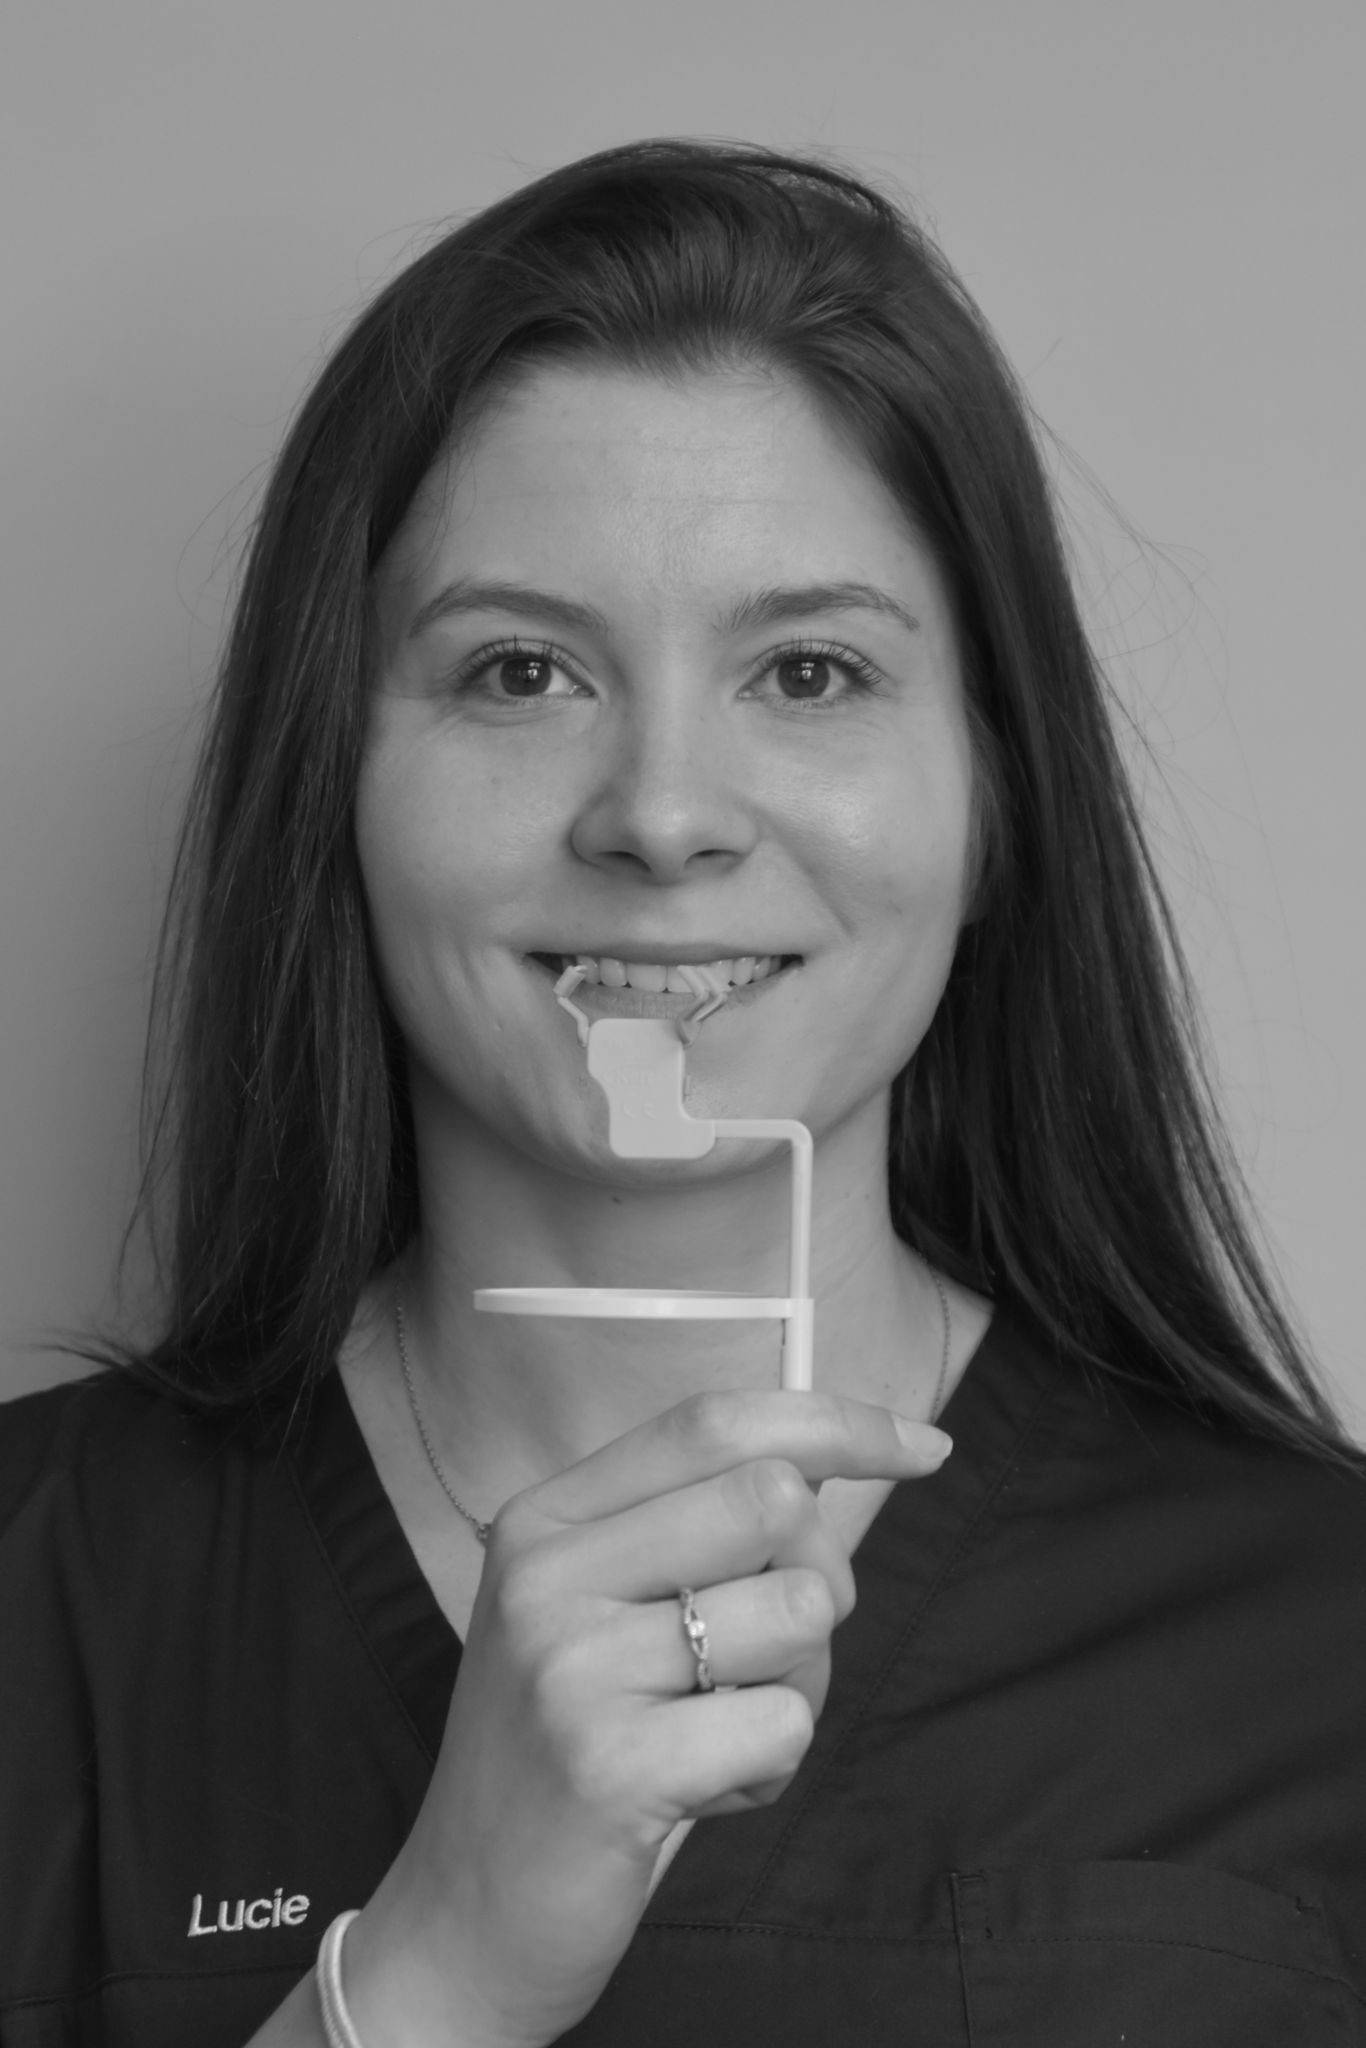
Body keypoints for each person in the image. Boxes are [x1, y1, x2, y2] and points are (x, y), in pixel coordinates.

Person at [1, 136, 1363, 2048]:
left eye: (805, 672)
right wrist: (428, 1979)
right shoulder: (38, 1604)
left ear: (996, 796)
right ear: (334, 789)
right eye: (519, 671)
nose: (658, 814)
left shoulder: (1322, 1637)